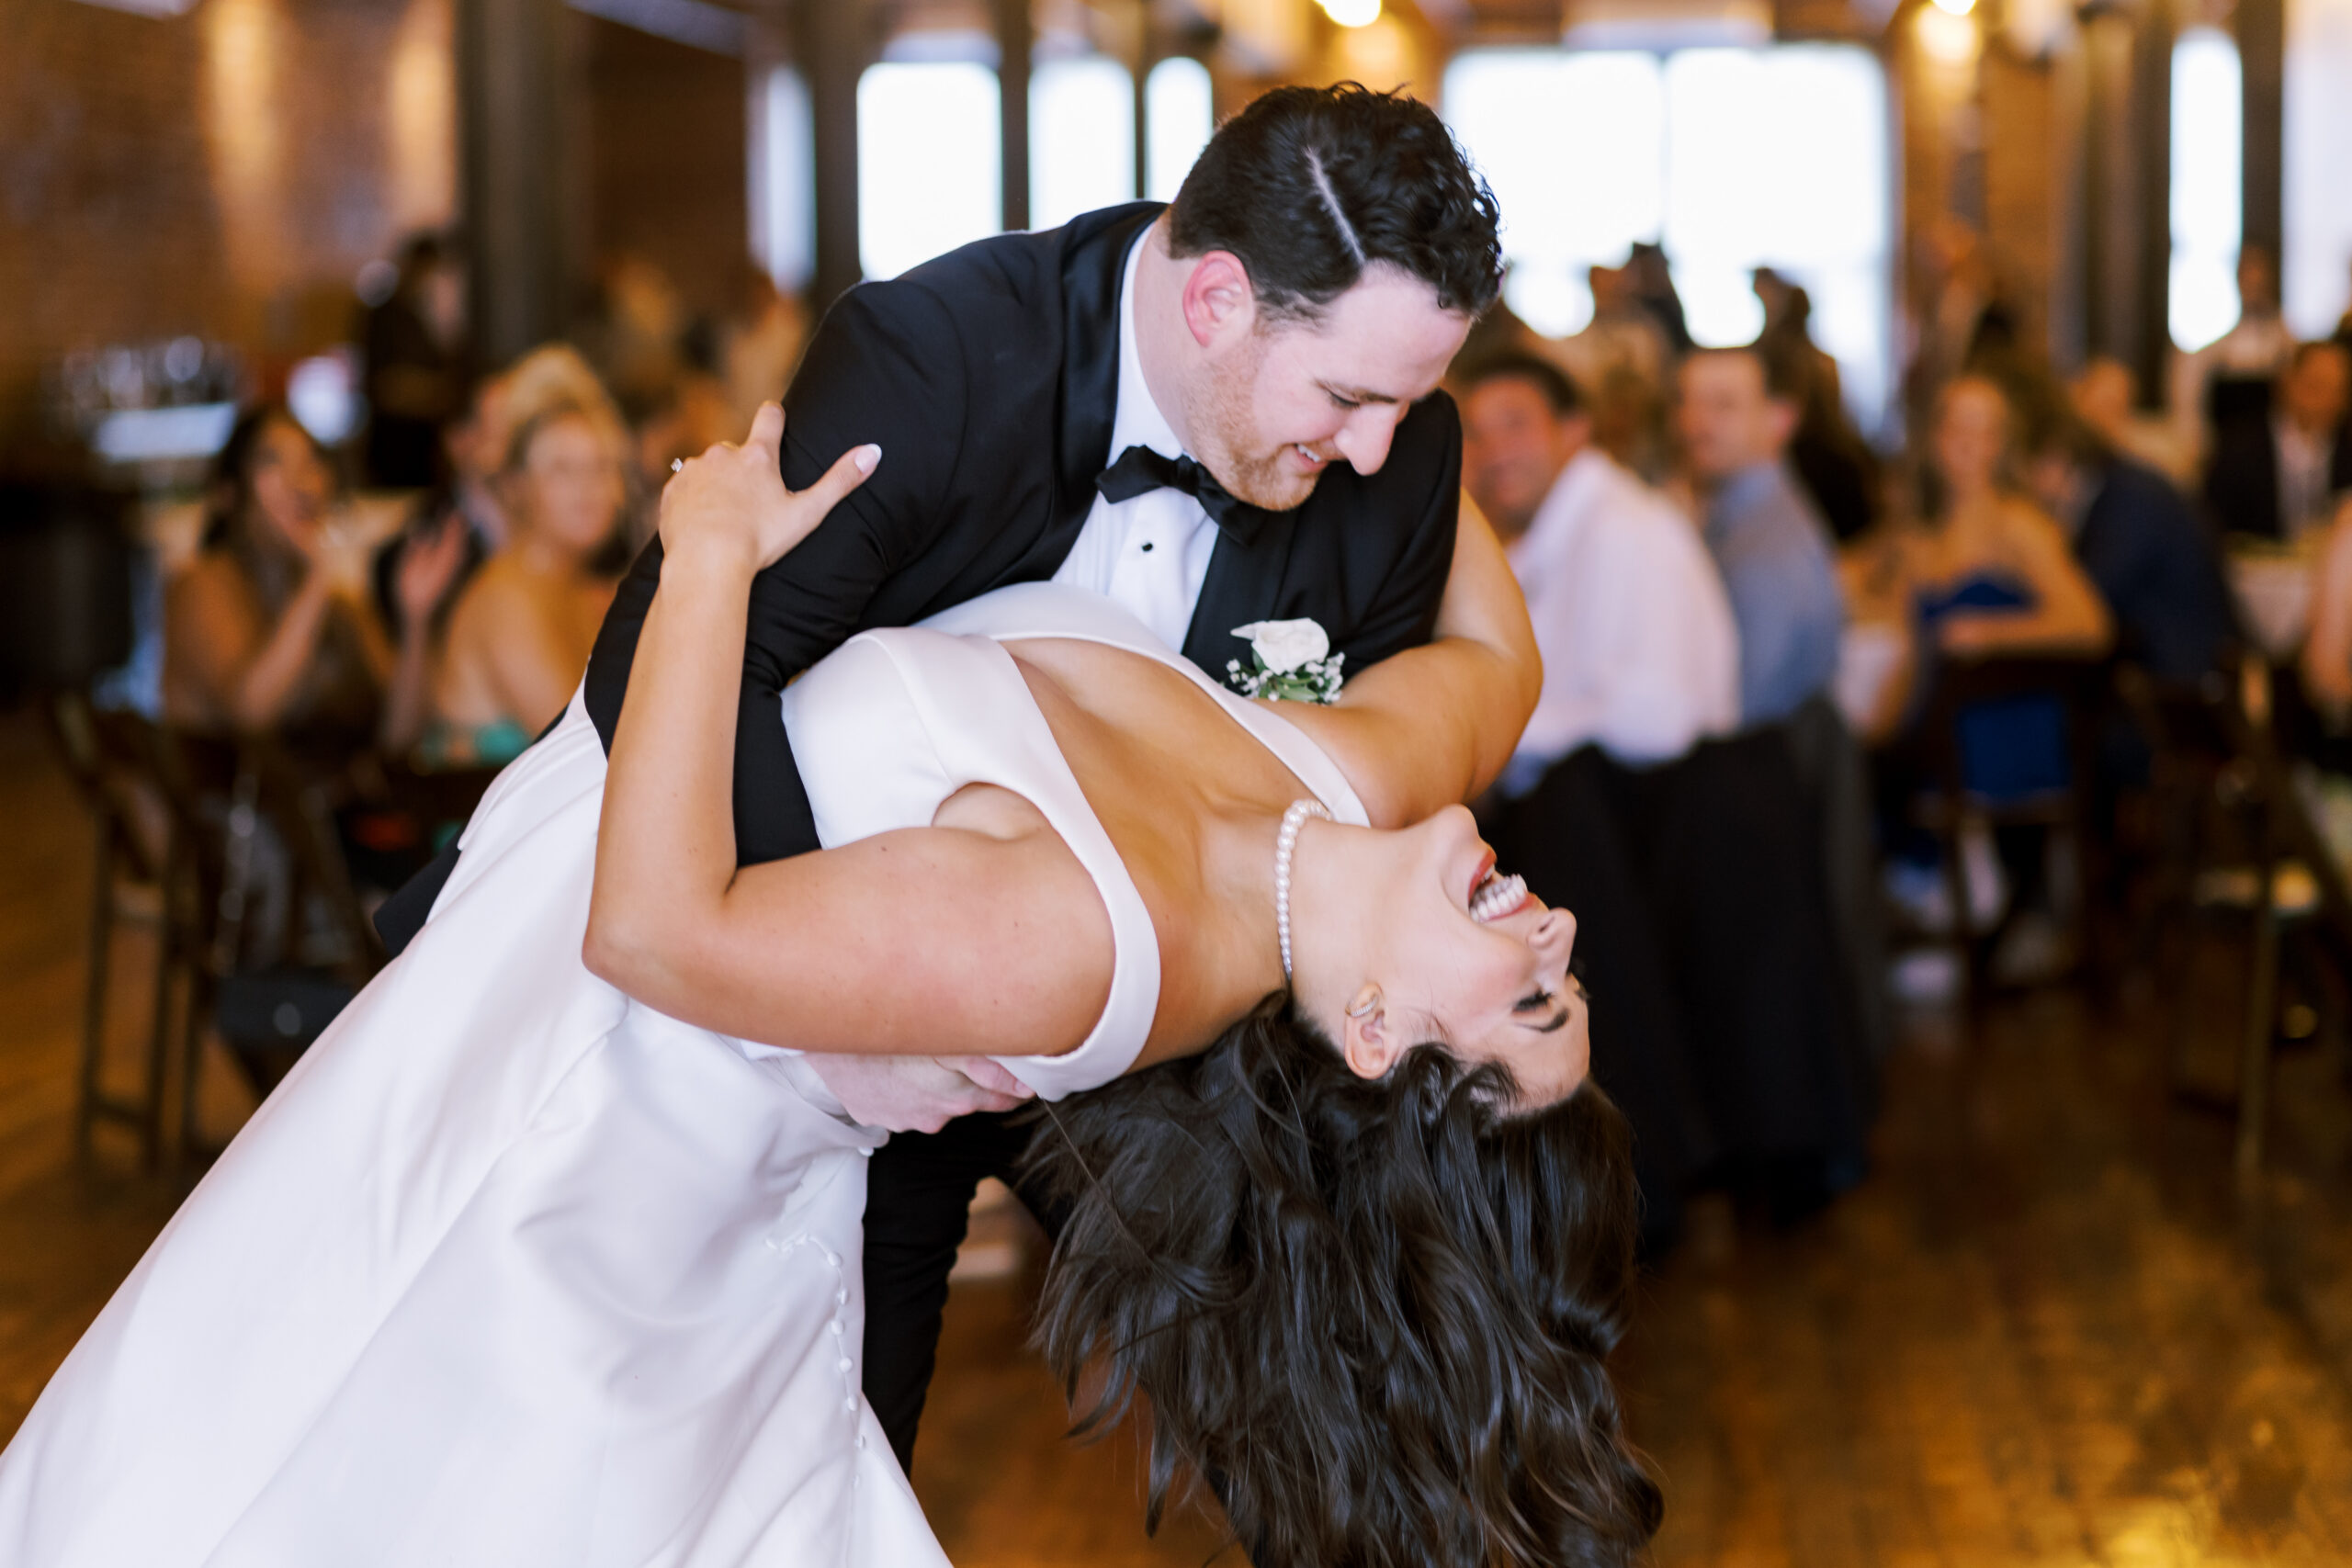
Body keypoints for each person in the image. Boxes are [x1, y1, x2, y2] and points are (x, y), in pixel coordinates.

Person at [0, 405, 1658, 1568]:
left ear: (1373, 1037)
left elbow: (656, 930)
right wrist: (1370, 348)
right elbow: (1497, 649)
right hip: (531, 997)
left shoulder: (1090, 940)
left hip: (587, 1151)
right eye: (1565, 980)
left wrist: (708, 556)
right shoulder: (1341, 773)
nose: (1555, 937)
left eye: (1528, 1002)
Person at [370, 83, 1554, 1482]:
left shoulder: (1400, 460)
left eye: (1406, 404)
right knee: (825, 1429)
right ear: (1218, 299)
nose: (1373, 450)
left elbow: (1371, 752)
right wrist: (838, 1016)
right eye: (1351, 396)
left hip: (1133, 1019)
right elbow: (671, 666)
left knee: (1319, 1399)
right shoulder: (936, 360)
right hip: (826, 982)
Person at [1459, 351, 1737, 781]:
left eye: (1515, 425)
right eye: (1478, 434)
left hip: (1652, 812)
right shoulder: (1556, 528)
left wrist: (1497, 735)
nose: (1495, 452)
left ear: (1574, 430)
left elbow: (1662, 720)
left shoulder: (1623, 528)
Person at [164, 403, 462, 756]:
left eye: (311, 461)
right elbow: (251, 714)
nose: (300, 480)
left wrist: (415, 619)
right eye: (272, 461)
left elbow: (403, 735)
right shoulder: (202, 585)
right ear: (229, 494)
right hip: (232, 805)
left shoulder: (338, 603)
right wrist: (318, 576)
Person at [424, 400, 628, 766]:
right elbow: (587, 752)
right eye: (561, 470)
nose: (589, 486)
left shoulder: (587, 593)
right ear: (516, 485)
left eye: (601, 467)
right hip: (488, 820)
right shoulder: (504, 601)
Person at [1675, 346, 1845, 727]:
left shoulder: (1769, 547)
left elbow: (1737, 711)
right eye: (1688, 402)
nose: (1696, 424)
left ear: (1780, 420)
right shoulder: (1739, 517)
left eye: (1724, 405)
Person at [2019, 393, 2233, 684]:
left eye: (2028, 470)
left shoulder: (2128, 500)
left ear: (2055, 459)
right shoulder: (2117, 485)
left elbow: (2094, 599)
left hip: (2178, 677)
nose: (2026, 488)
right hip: (2159, 660)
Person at [2203, 339, 2352, 542]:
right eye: (2316, 386)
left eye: (2337, 391)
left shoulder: (2346, 448)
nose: (2327, 401)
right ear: (2288, 382)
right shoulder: (2238, 448)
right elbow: (2212, 528)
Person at [360, 232, 464, 490]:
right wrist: (435, 392)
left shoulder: (420, 316)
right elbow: (384, 385)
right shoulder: (386, 316)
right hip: (394, 447)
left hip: (423, 449)